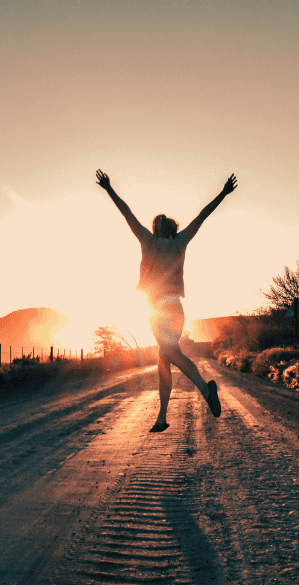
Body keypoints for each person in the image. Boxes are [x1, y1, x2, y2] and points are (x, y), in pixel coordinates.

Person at [96, 169, 238, 432]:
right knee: (165, 359)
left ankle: (206, 391)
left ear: (156, 228)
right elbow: (202, 216)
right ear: (173, 227)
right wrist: (223, 193)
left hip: (156, 310)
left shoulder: (147, 241)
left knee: (171, 354)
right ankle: (161, 417)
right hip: (176, 307)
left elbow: (126, 213)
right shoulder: (180, 241)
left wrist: (109, 189)